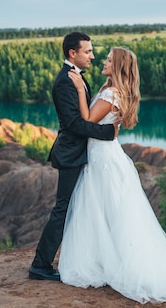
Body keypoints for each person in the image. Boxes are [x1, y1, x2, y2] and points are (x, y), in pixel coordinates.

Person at [58, 47, 166, 303]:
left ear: (118, 66)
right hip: (103, 155)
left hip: (103, 160)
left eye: (109, 59)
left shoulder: (111, 93)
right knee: (104, 210)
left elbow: (88, 119)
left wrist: (79, 89)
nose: (104, 61)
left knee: (105, 209)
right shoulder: (111, 89)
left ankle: (115, 264)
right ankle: (108, 259)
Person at [29, 32, 119, 281]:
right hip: (71, 154)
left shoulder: (76, 78)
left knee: (82, 207)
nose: (93, 56)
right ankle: (40, 265)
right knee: (63, 209)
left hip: (82, 154)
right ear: (72, 53)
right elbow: (74, 125)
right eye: (88, 51)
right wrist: (107, 131)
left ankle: (91, 259)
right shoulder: (65, 81)